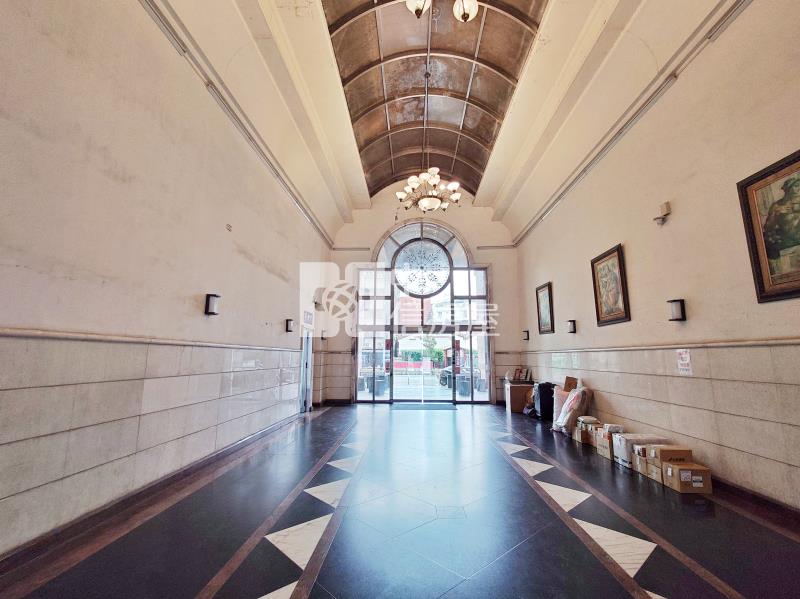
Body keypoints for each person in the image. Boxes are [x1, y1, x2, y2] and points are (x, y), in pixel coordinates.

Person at [763, 176, 800, 261]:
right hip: (785, 237)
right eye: (796, 186)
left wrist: (794, 209)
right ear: (787, 189)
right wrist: (776, 213)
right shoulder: (777, 205)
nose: (799, 188)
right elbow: (768, 227)